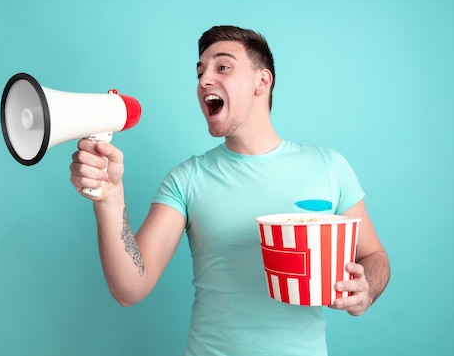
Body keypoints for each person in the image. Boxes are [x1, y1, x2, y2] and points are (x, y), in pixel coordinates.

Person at [70, 25, 390, 356]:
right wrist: (109, 199)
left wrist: (366, 286)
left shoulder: (329, 167)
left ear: (262, 81)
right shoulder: (187, 179)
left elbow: (375, 257)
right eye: (200, 72)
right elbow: (129, 289)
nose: (204, 80)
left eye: (222, 67)